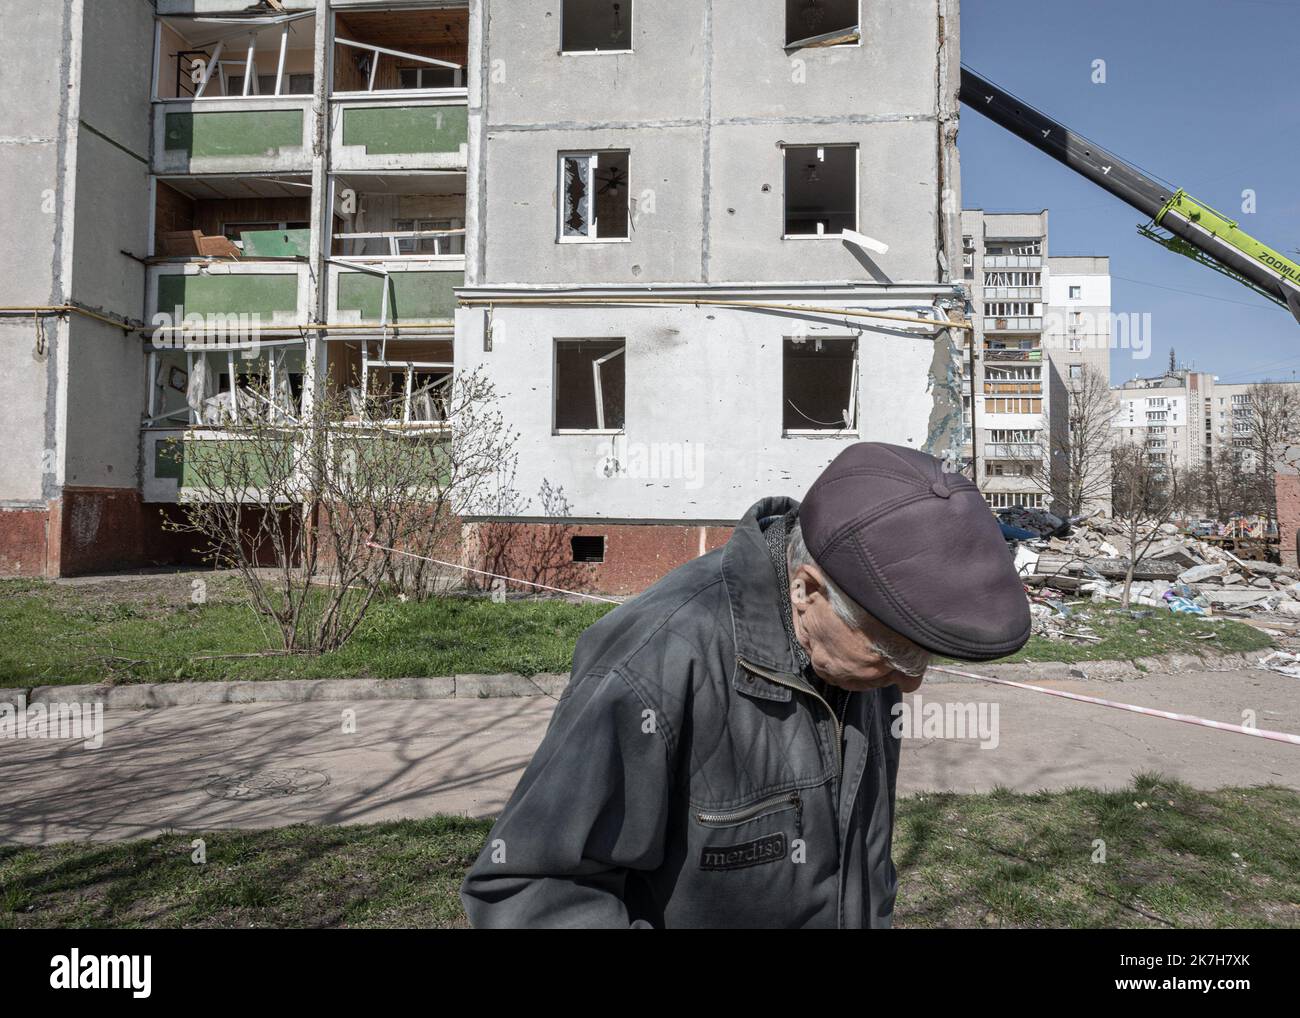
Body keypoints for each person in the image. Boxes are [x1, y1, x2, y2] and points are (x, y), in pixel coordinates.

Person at [461, 442, 1030, 928]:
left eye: (923, 651)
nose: (908, 683)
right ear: (807, 591)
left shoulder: (860, 623)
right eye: (893, 652)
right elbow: (524, 888)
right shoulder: (657, 659)